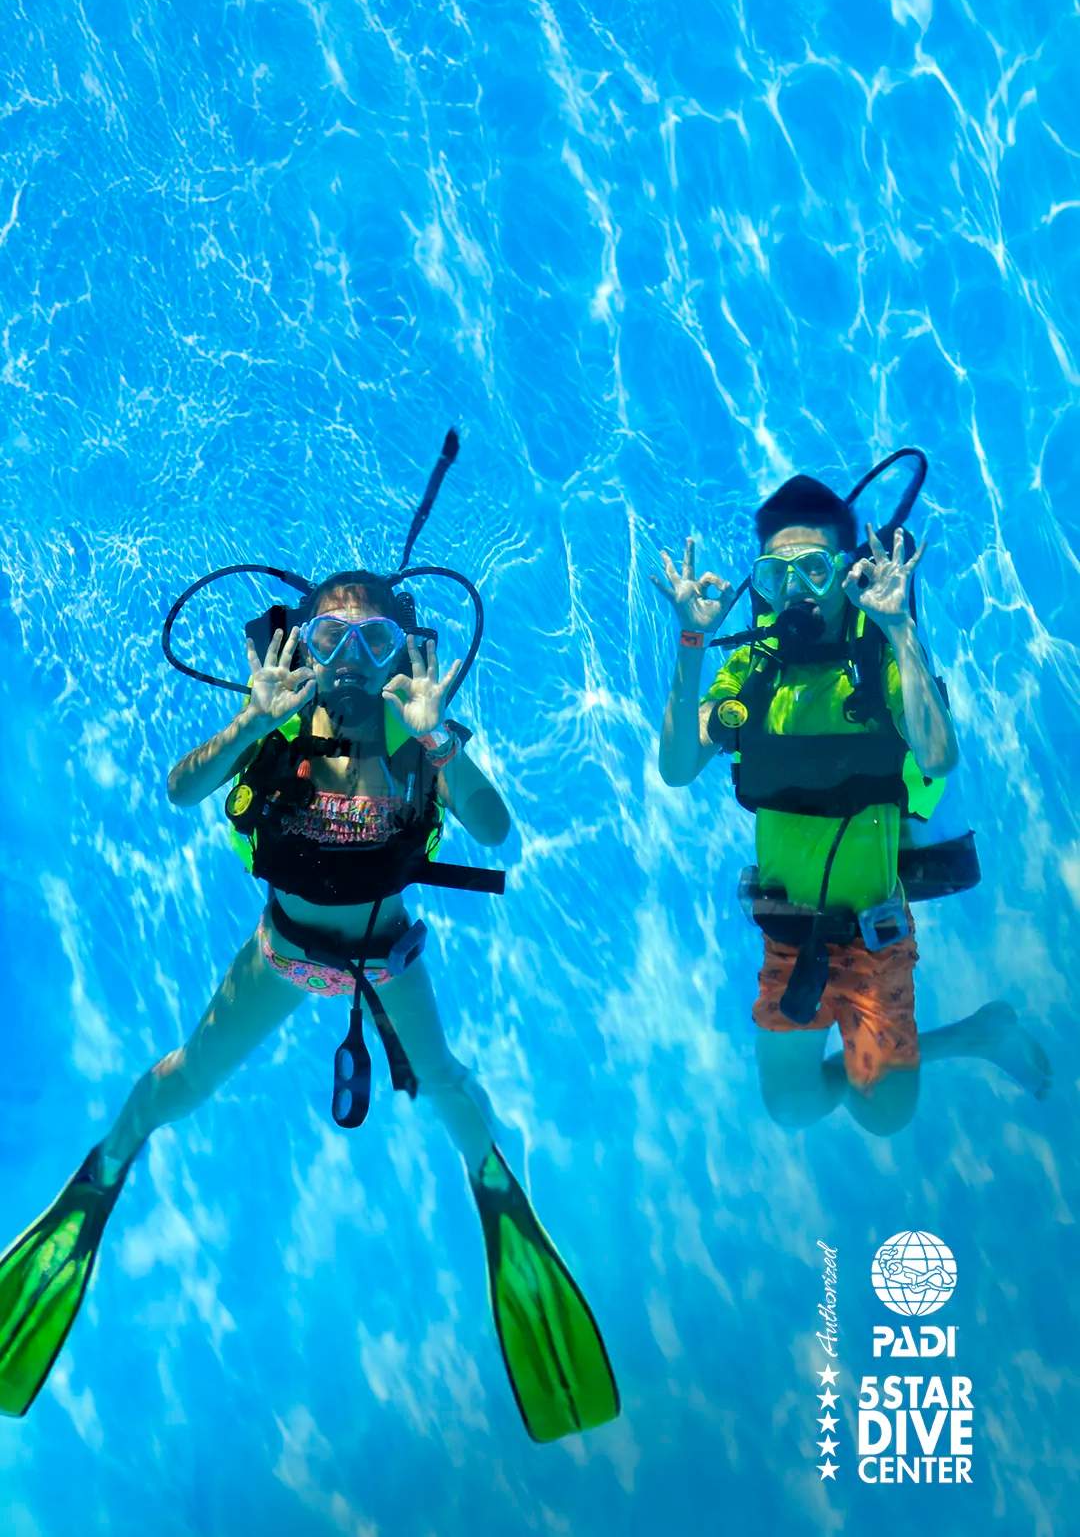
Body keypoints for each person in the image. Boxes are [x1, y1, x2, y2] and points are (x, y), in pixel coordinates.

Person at [0, 568, 619, 1441]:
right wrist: (254, 717)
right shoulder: (281, 728)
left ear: (402, 653)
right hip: (284, 952)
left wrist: (440, 740)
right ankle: (109, 1161)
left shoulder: (417, 743)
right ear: (303, 649)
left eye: (375, 643)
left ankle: (495, 1190)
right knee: (187, 1077)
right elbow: (180, 790)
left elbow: (495, 830)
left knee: (444, 1082)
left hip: (388, 958)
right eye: (331, 643)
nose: (353, 665)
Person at [652, 472, 1050, 1134]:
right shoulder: (751, 672)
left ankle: (982, 1035)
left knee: (885, 1115)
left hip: (873, 936)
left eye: (813, 569)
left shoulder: (880, 665)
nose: (795, 592)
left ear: (845, 572)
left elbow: (938, 756)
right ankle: (971, 1036)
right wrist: (691, 643)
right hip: (788, 933)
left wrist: (899, 632)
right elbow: (675, 768)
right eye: (775, 575)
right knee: (791, 1106)